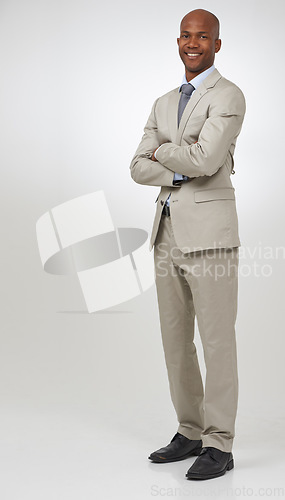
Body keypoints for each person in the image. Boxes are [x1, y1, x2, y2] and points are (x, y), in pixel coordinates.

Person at [130, 8, 246, 480]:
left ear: (217, 44)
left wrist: (166, 154)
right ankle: (190, 430)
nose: (192, 43)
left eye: (203, 36)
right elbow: (137, 166)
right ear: (178, 41)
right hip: (166, 233)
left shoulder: (230, 95)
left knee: (217, 342)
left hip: (212, 235)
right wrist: (182, 161)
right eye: (185, 35)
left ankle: (220, 443)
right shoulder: (162, 102)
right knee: (175, 342)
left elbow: (209, 156)